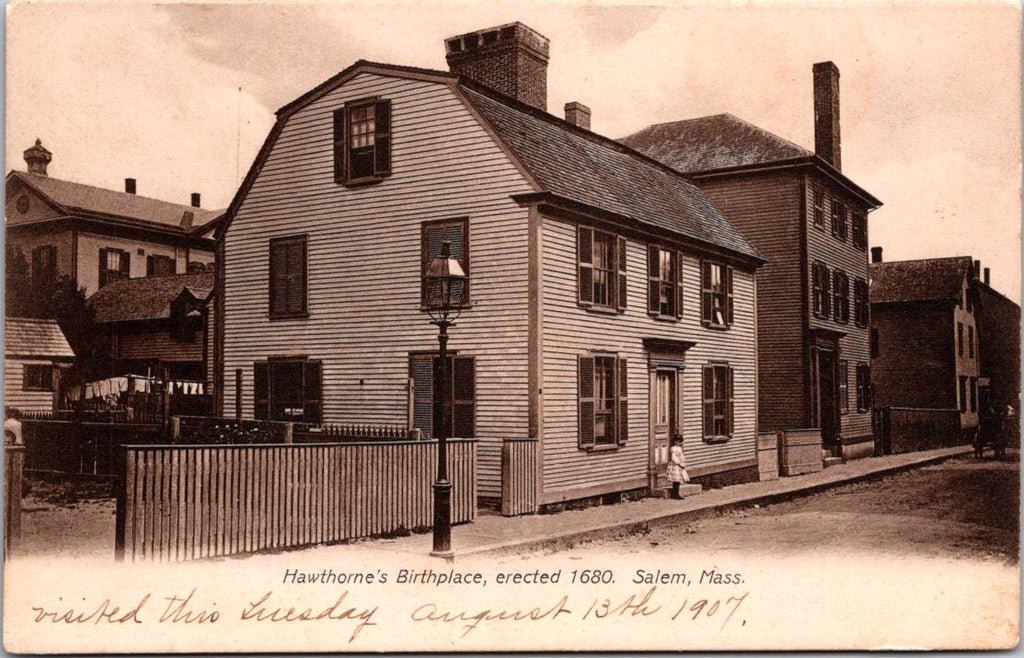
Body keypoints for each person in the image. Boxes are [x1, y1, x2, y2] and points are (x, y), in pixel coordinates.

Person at [668, 435, 689, 500]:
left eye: (680, 442)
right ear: (675, 441)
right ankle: (675, 494)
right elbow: (673, 457)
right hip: (676, 465)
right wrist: (679, 463)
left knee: (678, 481)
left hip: (679, 465)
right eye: (678, 442)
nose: (679, 443)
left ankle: (675, 493)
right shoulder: (673, 448)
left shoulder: (679, 448)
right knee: (676, 480)